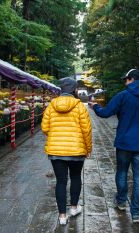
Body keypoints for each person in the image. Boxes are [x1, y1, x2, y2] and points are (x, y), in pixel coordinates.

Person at [88, 69, 139, 223]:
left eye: (126, 80)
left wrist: (95, 106)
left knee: (122, 172)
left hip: (124, 143)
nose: (125, 83)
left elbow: (106, 113)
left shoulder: (123, 96)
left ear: (132, 79)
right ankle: (136, 213)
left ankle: (121, 202)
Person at [41, 77, 92, 225]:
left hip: (56, 151)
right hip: (77, 151)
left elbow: (44, 128)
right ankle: (74, 208)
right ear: (74, 90)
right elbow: (86, 130)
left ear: (61, 90)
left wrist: (55, 137)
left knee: (61, 182)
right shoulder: (80, 106)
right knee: (75, 178)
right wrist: (88, 149)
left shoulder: (51, 105)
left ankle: (62, 216)